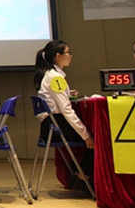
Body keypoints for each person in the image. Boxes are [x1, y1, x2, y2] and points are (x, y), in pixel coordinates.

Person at [33, 40, 94, 192]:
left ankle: (80, 176)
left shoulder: (51, 75)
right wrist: (85, 135)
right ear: (58, 56)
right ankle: (82, 178)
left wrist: (67, 93)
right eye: (68, 53)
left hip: (50, 126)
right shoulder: (55, 77)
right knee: (96, 139)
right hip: (56, 127)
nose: (71, 56)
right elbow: (66, 110)